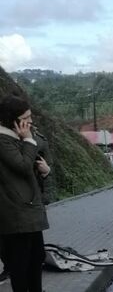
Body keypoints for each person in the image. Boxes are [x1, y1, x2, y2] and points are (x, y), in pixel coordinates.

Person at [0, 95, 51, 292]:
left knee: (37, 257)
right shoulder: (3, 141)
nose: (30, 121)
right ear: (12, 120)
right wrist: (29, 140)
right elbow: (22, 166)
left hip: (29, 211)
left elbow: (29, 171)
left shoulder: (17, 139)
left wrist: (45, 172)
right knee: (20, 264)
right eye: (25, 118)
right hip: (15, 214)